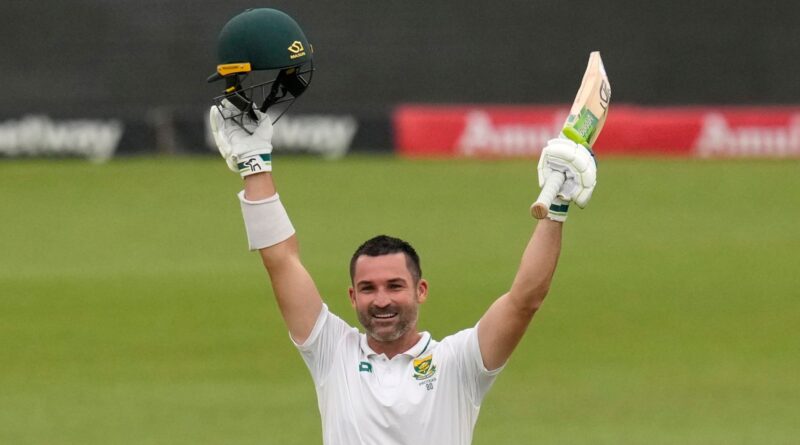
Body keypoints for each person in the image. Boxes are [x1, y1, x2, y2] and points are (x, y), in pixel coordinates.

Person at [209, 100, 597, 444]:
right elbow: (280, 259)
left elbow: (524, 300)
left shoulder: (458, 364)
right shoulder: (332, 352)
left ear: (420, 290)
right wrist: (254, 166)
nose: (381, 300)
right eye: (368, 288)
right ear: (352, 296)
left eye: (394, 286)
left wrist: (556, 208)